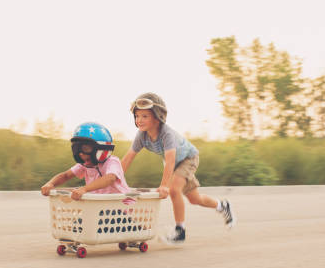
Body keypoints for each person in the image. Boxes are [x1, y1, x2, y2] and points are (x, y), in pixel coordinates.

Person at [121, 92, 236, 244]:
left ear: (157, 116)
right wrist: (114, 179)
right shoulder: (141, 136)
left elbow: (170, 161)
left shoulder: (166, 133)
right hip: (175, 163)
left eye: (145, 116)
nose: (139, 120)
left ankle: (180, 231)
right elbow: (128, 157)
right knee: (195, 199)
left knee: (174, 190)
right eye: (137, 116)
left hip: (188, 159)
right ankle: (223, 206)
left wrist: (163, 185)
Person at [41, 122, 129, 200]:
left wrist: (84, 189)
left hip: (121, 208)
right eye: (77, 149)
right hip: (101, 208)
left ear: (101, 149)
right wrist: (50, 184)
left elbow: (110, 178)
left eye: (85, 149)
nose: (80, 154)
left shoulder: (112, 162)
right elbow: (66, 175)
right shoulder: (85, 164)